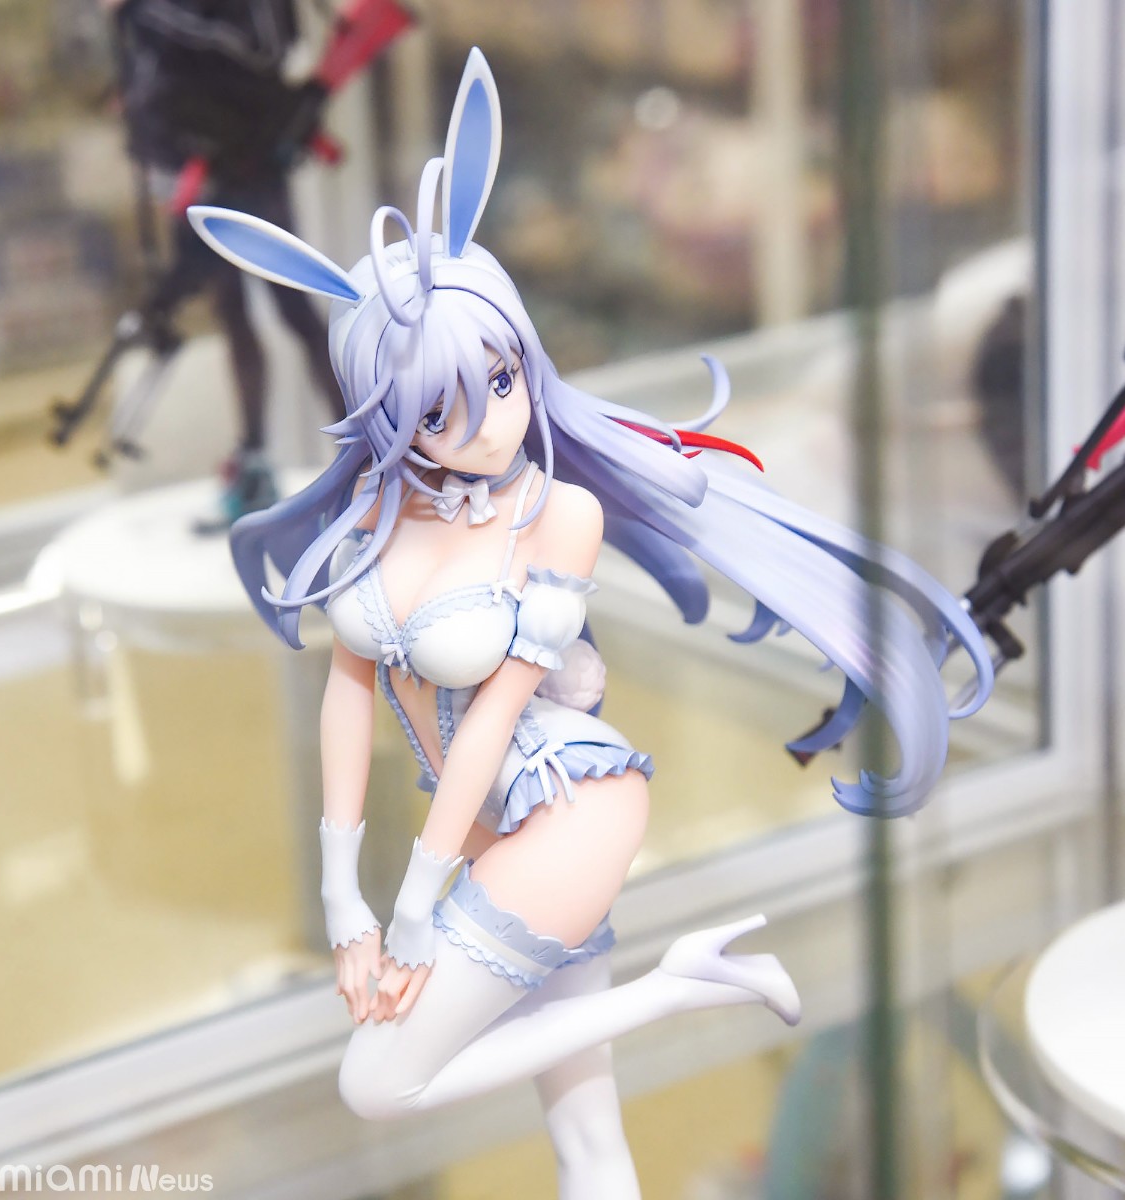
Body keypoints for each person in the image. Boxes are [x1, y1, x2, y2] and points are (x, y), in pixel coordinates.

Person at [190, 49, 993, 1199]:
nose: (488, 424)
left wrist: (413, 904)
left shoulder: (555, 514)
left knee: (381, 1080)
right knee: (587, 1145)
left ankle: (679, 984)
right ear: (388, 414)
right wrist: (342, 898)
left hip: (569, 803)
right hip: (483, 826)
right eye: (440, 409)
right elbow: (348, 700)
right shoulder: (374, 524)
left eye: (503, 381)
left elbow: (493, 716)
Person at [102, 0, 346, 529]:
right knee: (233, 314)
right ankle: (255, 466)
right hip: (199, 162)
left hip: (248, 157)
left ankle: (363, 464)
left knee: (294, 310)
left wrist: (147, 12)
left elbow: (263, 47)